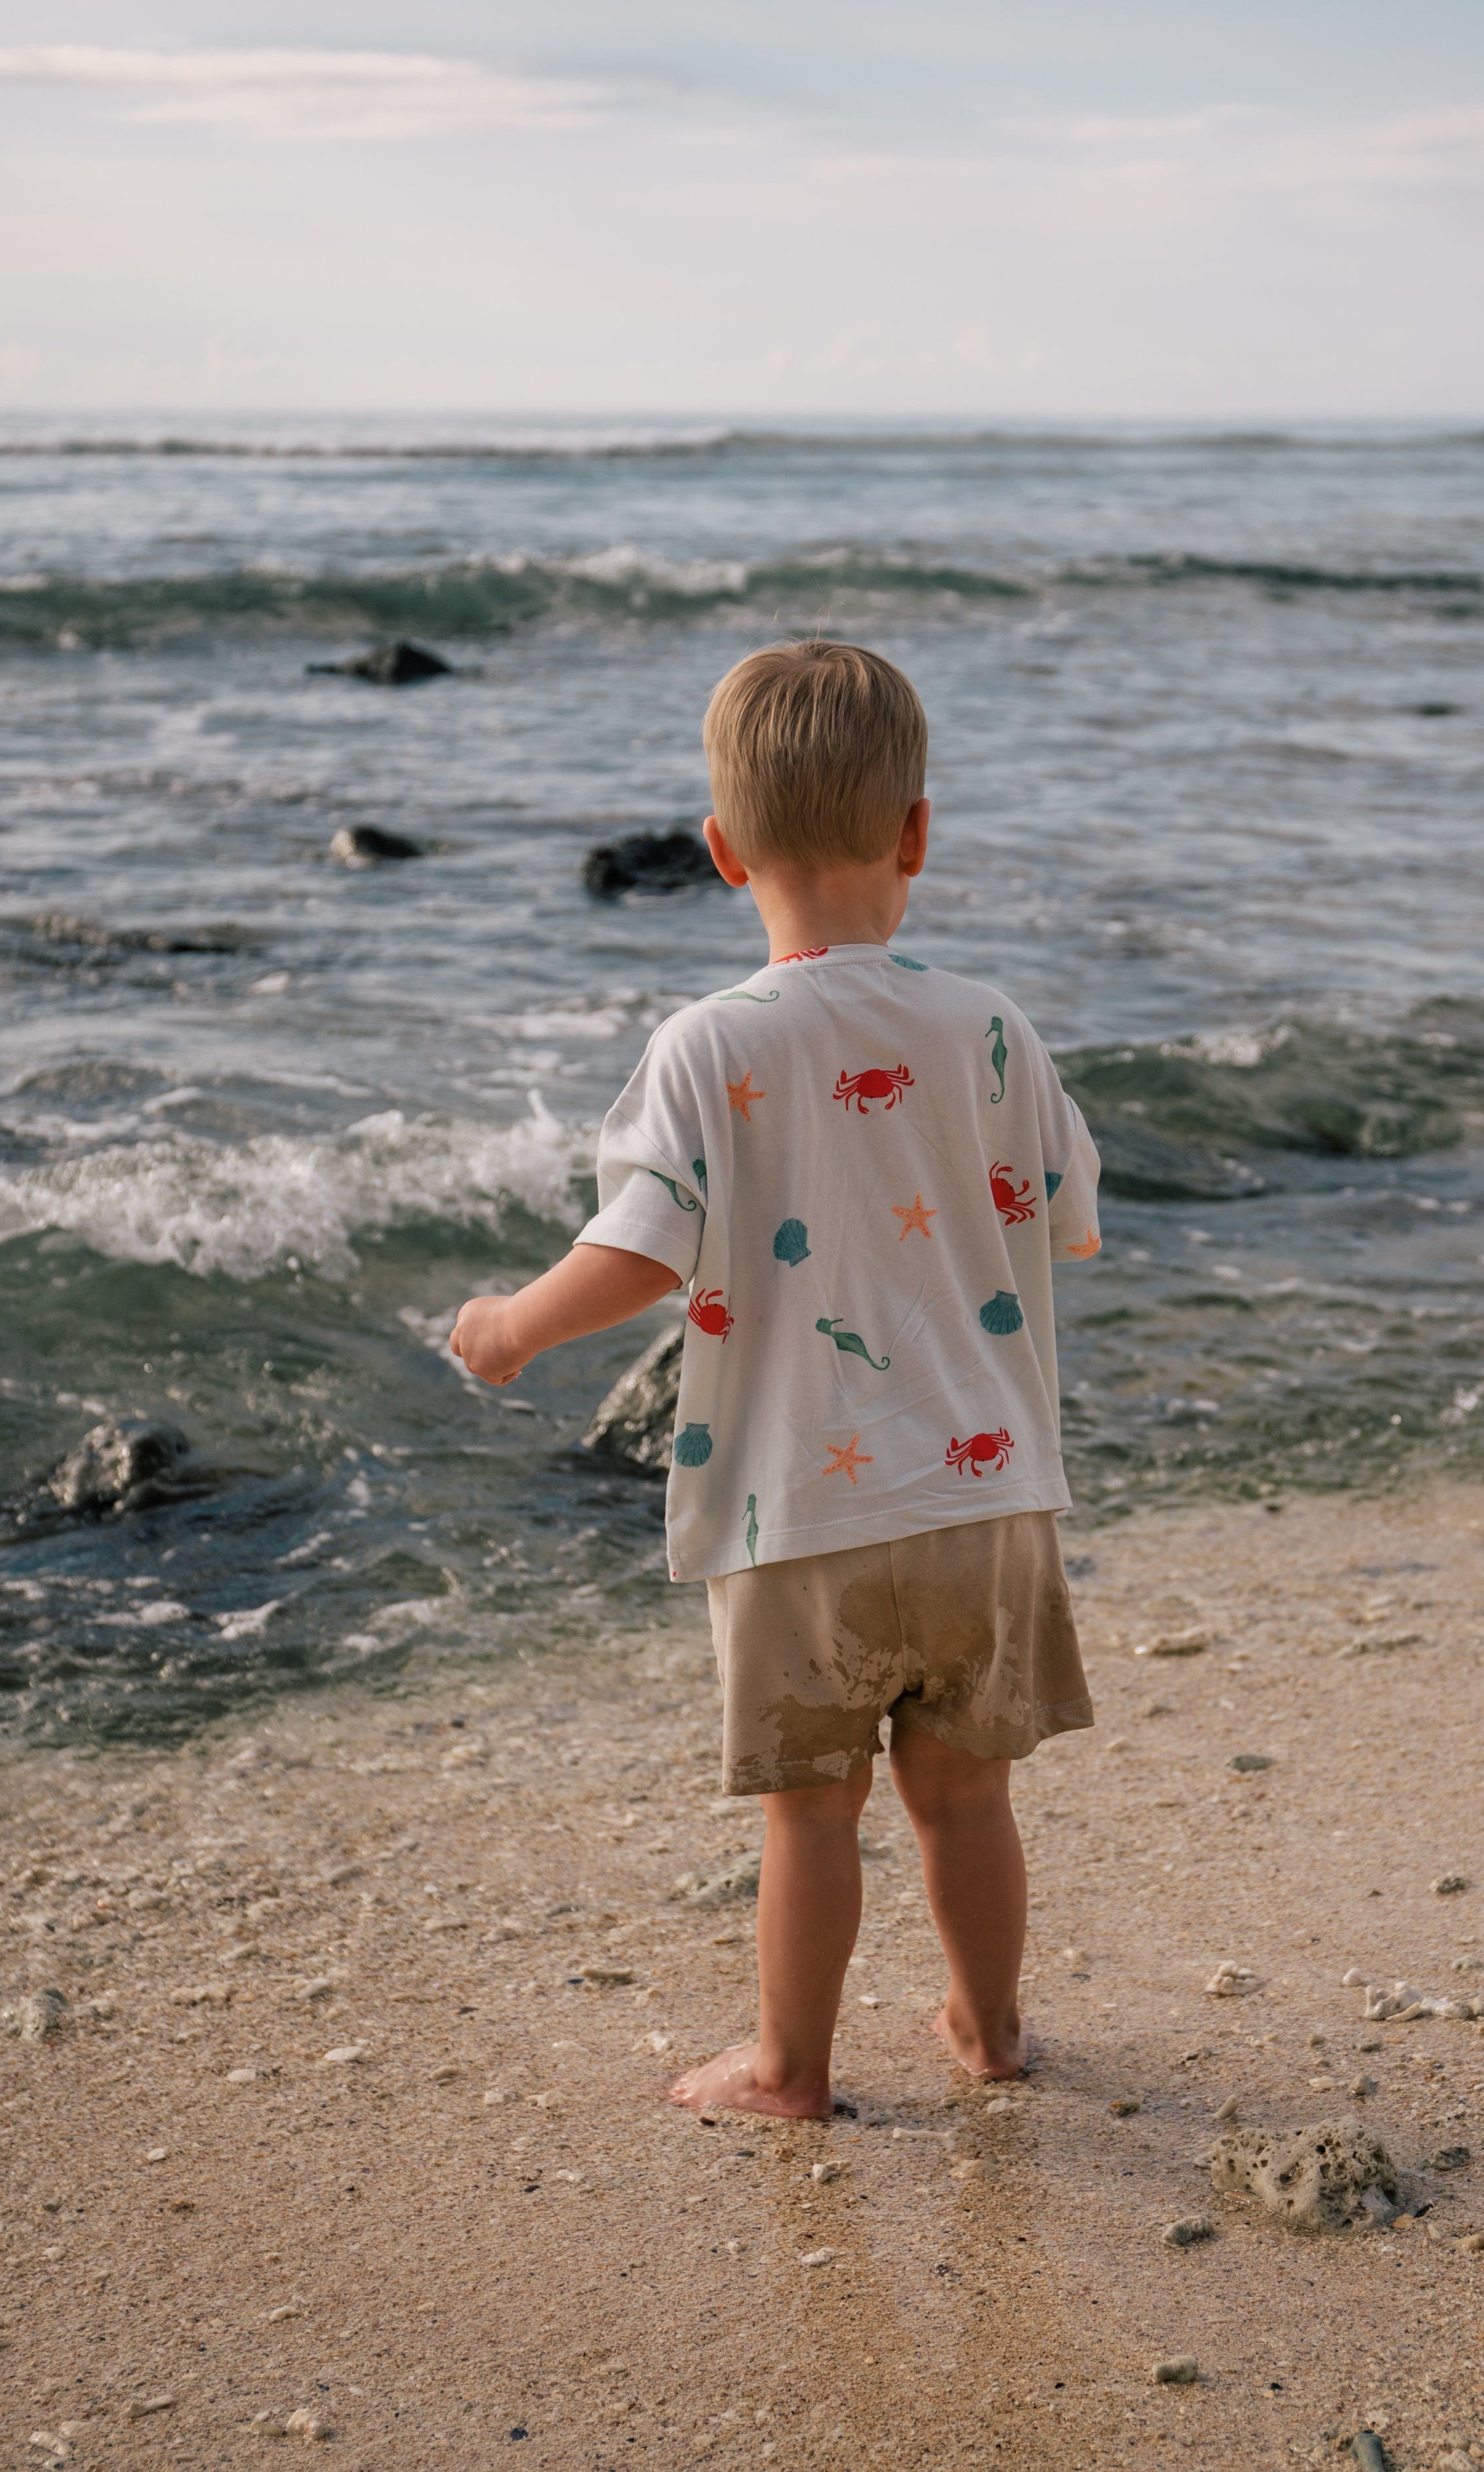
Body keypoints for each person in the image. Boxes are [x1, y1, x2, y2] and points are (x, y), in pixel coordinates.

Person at [449, 639, 1102, 2118]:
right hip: (988, 1491)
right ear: (919, 832)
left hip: (800, 1506)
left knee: (813, 1815)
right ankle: (992, 2032)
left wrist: (510, 1328)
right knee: (968, 1796)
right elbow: (1072, 1218)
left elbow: (638, 1250)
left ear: (721, 850)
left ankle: (790, 2070)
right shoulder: (993, 1026)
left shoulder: (708, 1046)